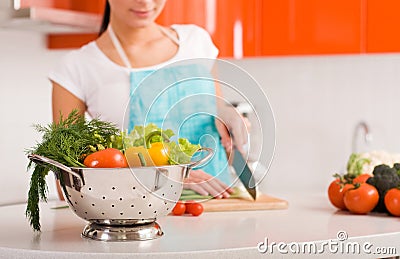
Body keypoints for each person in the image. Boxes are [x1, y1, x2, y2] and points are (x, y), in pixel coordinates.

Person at [50, 0, 247, 200]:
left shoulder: (196, 42)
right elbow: (66, 184)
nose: (145, 2)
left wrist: (225, 114)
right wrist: (160, 178)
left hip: (221, 206)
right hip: (138, 216)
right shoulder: (77, 67)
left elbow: (216, 112)